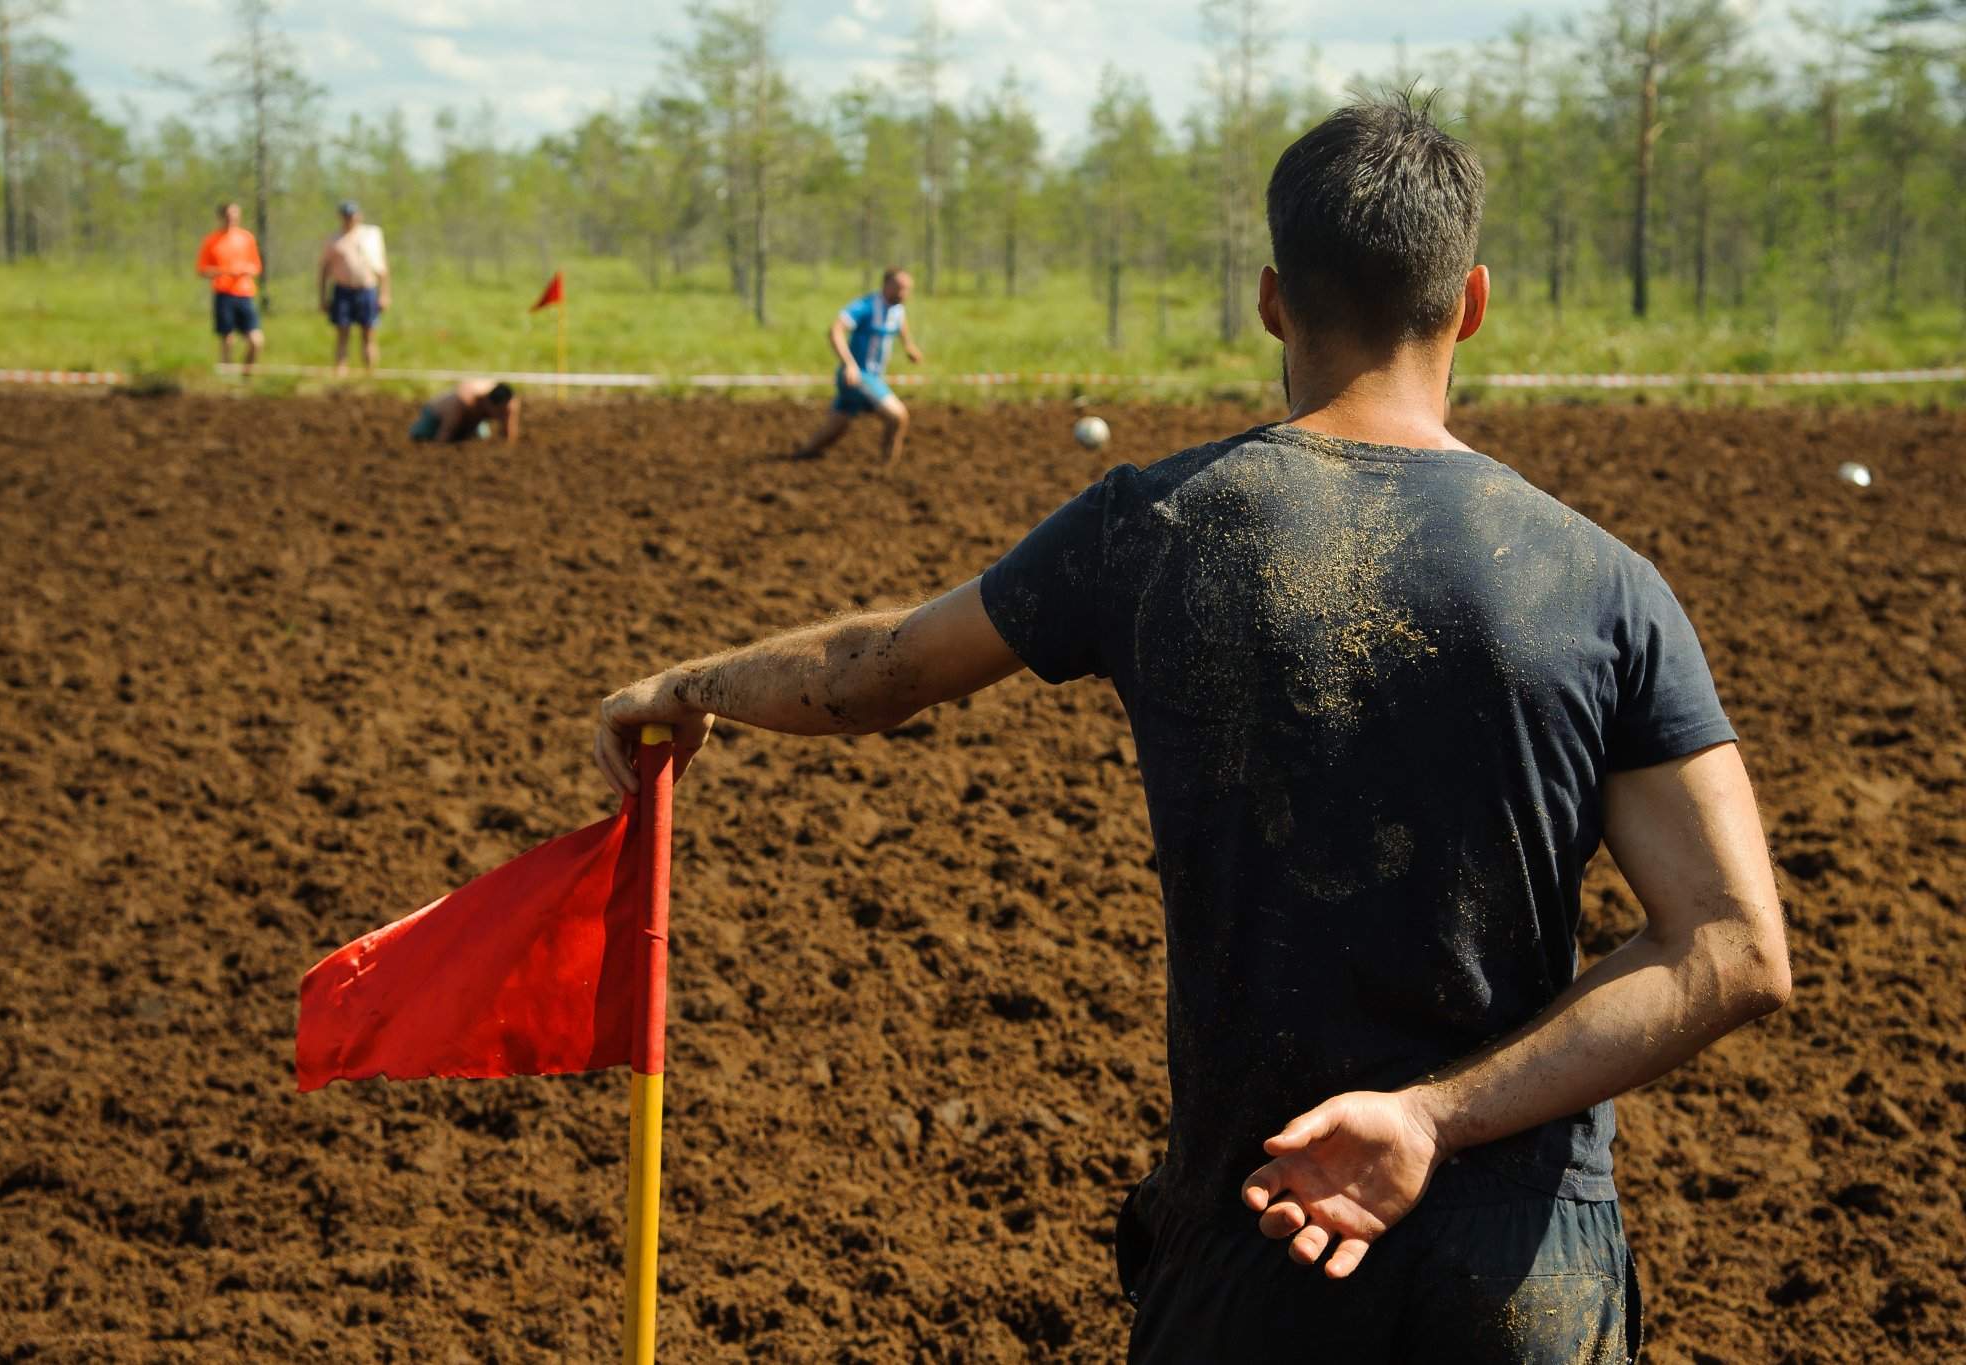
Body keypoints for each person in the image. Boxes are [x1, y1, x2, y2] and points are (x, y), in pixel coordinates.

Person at [592, 94, 1789, 1363]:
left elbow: (872, 672)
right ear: (1470, 301)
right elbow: (1731, 948)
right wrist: (1430, 1119)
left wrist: (689, 684)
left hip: (1255, 1237)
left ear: (1272, 299)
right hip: (1522, 1274)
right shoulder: (1603, 583)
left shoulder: (1156, 529)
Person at [793, 266, 924, 463]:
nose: (904, 294)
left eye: (907, 289)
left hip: (869, 377)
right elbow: (835, 330)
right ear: (886, 285)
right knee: (898, 417)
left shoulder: (897, 310)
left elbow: (900, 324)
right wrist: (849, 364)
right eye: (900, 288)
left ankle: (802, 455)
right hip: (859, 376)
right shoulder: (866, 306)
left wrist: (908, 345)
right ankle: (887, 468)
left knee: (837, 426)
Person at [318, 200, 389, 376]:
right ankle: (340, 373)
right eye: (346, 215)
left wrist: (385, 293)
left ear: (359, 216)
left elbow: (383, 267)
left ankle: (370, 374)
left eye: (353, 215)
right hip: (343, 291)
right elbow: (324, 270)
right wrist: (322, 296)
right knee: (342, 334)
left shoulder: (371, 235)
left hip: (367, 289)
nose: (350, 219)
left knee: (368, 334)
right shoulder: (334, 239)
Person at [195, 201, 263, 374]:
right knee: (228, 339)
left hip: (245, 294)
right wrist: (224, 271)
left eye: (235, 214)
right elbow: (202, 269)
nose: (232, 218)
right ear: (221, 217)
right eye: (228, 215)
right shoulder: (211, 241)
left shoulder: (247, 238)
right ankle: (226, 376)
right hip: (224, 294)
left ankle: (247, 374)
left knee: (256, 340)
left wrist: (244, 270)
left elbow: (256, 266)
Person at [408, 379, 519, 445]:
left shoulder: (508, 404)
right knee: (420, 436)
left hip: (472, 422)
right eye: (499, 412)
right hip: (436, 415)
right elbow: (446, 431)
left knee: (480, 440)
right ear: (488, 404)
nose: (501, 415)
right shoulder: (463, 402)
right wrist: (440, 446)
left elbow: (508, 431)